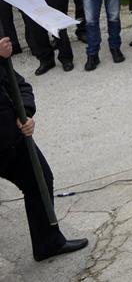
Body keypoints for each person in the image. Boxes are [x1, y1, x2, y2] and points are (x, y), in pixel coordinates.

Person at [0, 37, 89, 261]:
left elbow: (19, 85)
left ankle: (47, 243)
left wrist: (25, 114)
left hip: (12, 139)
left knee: (39, 180)